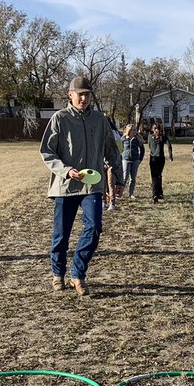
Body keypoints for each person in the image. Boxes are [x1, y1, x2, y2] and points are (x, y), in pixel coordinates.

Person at [39, 76, 122, 296]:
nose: (83, 99)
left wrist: (119, 178)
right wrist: (66, 170)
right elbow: (47, 152)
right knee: (61, 234)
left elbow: (111, 150)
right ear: (70, 95)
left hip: (92, 185)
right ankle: (58, 274)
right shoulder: (59, 118)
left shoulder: (99, 119)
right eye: (80, 95)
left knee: (94, 227)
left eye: (87, 95)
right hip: (65, 185)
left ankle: (77, 273)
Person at [147, 121, 173, 202]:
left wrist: (170, 155)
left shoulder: (161, 136)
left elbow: (169, 145)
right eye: (155, 128)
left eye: (157, 128)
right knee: (156, 176)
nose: (156, 130)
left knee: (157, 176)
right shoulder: (151, 136)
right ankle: (156, 193)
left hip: (159, 158)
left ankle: (158, 193)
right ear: (152, 129)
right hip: (153, 158)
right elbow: (150, 145)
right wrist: (170, 156)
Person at [121, 123, 145, 198]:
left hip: (135, 160)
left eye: (135, 130)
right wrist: (120, 158)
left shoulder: (137, 139)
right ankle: (120, 192)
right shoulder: (123, 138)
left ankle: (131, 194)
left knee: (133, 178)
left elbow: (142, 149)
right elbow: (119, 149)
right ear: (129, 130)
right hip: (126, 159)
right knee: (125, 177)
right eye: (133, 130)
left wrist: (140, 159)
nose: (135, 131)